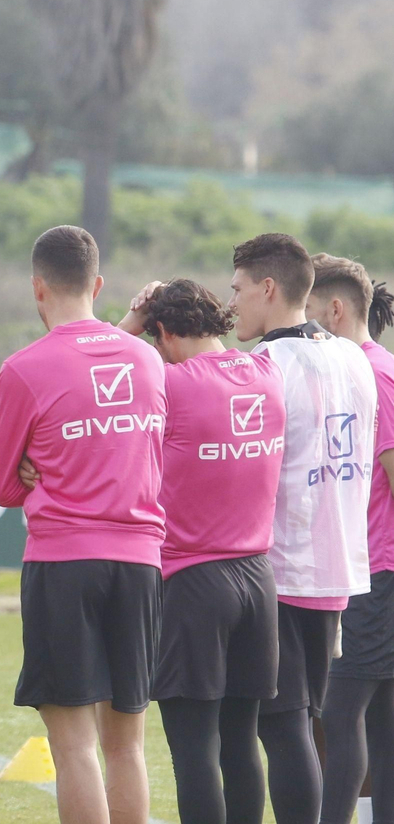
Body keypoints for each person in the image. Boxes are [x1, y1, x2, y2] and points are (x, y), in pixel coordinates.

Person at [0, 225, 167, 824]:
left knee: (74, 748)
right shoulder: (146, 359)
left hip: (64, 562)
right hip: (140, 563)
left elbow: (3, 487)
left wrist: (36, 465)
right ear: (98, 284)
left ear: (37, 287)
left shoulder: (24, 368)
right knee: (127, 746)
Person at [111, 279, 285, 824]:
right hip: (258, 579)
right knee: (241, 743)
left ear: (163, 331)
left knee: (194, 751)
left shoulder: (171, 383)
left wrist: (132, 320)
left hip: (193, 583)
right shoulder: (266, 372)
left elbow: (99, 371)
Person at [225, 234, 375, 824]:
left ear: (268, 288)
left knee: (281, 726)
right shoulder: (352, 357)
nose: (231, 302)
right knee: (304, 721)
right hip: (337, 570)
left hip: (280, 568)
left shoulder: (264, 366)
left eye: (237, 288)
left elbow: (244, 470)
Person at [304, 254, 394, 824]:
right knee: (379, 722)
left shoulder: (374, 375)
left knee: (339, 716)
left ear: (334, 310)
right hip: (365, 569)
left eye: (308, 309)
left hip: (375, 571)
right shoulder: (358, 369)